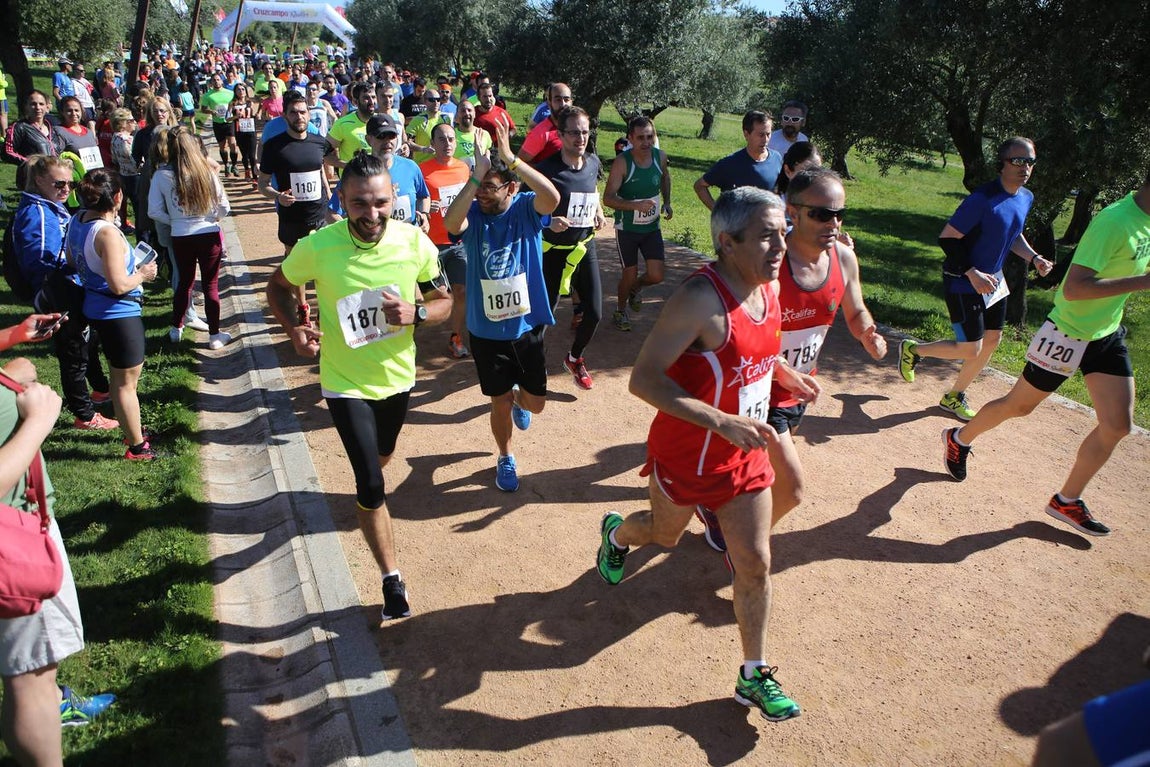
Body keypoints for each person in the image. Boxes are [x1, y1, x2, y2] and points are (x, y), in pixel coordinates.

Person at [595, 187, 815, 723]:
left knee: (756, 562)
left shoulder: (768, 288)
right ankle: (618, 534)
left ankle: (754, 673)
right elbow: (642, 381)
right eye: (766, 235)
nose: (780, 245)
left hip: (745, 457)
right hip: (688, 457)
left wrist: (784, 375)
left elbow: (756, 354)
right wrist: (720, 420)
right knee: (662, 534)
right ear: (726, 241)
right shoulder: (699, 300)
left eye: (783, 232)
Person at [266, 152, 452, 621]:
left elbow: (445, 300)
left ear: (393, 198)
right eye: (359, 205)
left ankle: (374, 475)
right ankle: (392, 580)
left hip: (396, 377)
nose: (371, 215)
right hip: (344, 381)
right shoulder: (318, 245)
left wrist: (420, 313)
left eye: (380, 203)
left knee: (383, 455)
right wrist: (294, 330)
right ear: (342, 201)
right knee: (370, 482)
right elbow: (278, 287)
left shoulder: (415, 242)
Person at [940, 171, 1150, 537]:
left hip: (1105, 334)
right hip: (1067, 333)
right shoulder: (1116, 221)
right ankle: (958, 439)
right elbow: (1074, 289)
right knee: (1017, 406)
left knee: (1118, 425)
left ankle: (1066, 500)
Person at [696, 167, 886, 551]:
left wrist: (867, 331)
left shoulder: (844, 259)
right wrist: (779, 370)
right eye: (821, 214)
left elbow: (855, 309)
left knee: (754, 470)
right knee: (792, 488)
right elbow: (743, 331)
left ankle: (715, 508)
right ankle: (744, 546)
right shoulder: (768, 265)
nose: (832, 223)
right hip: (757, 387)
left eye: (838, 214)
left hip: (798, 391)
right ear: (792, 213)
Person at [0, 317, 118, 765]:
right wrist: (37, 422)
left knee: (30, 672)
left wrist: (15, 346)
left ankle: (52, 700)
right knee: (29, 675)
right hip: (14, 537)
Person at [898, 137, 1054, 420]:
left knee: (992, 339)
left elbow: (1012, 232)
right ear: (1002, 164)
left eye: (1030, 162)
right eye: (1018, 161)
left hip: (993, 281)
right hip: (962, 278)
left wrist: (1034, 257)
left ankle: (953, 396)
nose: (1025, 167)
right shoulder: (982, 199)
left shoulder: (1024, 197)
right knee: (971, 347)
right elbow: (947, 238)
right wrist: (971, 273)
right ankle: (914, 349)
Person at [443, 116, 560, 492]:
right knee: (497, 401)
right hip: (486, 330)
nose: (482, 195)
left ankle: (520, 401)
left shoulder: (526, 207)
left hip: (526, 328)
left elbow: (553, 198)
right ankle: (505, 457)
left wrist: (510, 157)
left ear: (510, 187)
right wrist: (475, 177)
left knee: (537, 404)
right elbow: (450, 221)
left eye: (490, 188)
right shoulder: (473, 212)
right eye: (480, 188)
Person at [12, 155, 116, 430]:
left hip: (67, 285)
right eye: (60, 184)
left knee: (87, 340)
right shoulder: (37, 214)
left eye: (70, 184)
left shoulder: (49, 206)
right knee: (73, 351)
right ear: (39, 180)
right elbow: (40, 261)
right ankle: (84, 415)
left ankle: (100, 390)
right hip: (58, 290)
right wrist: (75, 261)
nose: (66, 190)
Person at [67, 170, 161, 460]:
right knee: (125, 383)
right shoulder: (106, 232)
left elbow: (73, 260)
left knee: (120, 379)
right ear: (118, 197)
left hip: (95, 307)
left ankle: (132, 431)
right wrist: (143, 274)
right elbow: (119, 284)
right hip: (118, 314)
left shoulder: (77, 220)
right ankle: (137, 447)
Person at [537, 106, 606, 390]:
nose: (580, 137)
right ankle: (531, 366)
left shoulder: (592, 163)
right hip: (553, 250)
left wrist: (599, 210)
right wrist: (548, 221)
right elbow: (527, 208)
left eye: (585, 132)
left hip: (583, 247)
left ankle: (575, 358)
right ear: (561, 135)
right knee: (544, 315)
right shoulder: (548, 170)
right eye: (574, 132)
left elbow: (592, 190)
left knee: (595, 312)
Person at [149, 127, 232, 349]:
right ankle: (215, 335)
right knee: (210, 284)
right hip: (207, 233)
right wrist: (212, 218)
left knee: (184, 282)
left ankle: (176, 328)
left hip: (181, 235)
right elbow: (224, 206)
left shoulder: (161, 175)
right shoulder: (206, 172)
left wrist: (175, 220)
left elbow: (153, 211)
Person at [259, 93, 331, 327]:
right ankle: (302, 306)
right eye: (293, 112)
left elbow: (322, 168)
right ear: (285, 115)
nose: (299, 116)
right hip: (291, 216)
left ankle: (323, 306)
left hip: (318, 214)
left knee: (322, 263)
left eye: (302, 112)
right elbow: (263, 184)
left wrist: (329, 191)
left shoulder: (318, 141)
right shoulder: (274, 146)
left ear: (308, 114)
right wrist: (279, 196)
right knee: (297, 264)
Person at [603, 115, 671, 332]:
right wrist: (635, 206)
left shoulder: (660, 157)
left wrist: (667, 202)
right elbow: (608, 198)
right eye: (640, 137)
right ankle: (620, 310)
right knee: (628, 274)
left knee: (656, 275)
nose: (646, 142)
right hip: (628, 230)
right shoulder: (623, 162)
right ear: (630, 138)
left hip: (652, 227)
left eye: (650, 137)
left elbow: (665, 177)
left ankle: (636, 289)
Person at [419, 123, 472, 358]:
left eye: (451, 139)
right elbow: (416, 201)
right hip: (430, 246)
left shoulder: (463, 169)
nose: (447, 143)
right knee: (438, 295)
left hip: (457, 244)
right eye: (441, 139)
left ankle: (455, 337)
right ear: (432, 144)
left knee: (461, 292)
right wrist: (427, 210)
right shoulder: (421, 170)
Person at [694, 111, 782, 211]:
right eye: (761, 135)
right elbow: (700, 186)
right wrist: (717, 212)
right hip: (737, 225)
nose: (765, 140)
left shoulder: (777, 159)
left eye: (768, 134)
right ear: (746, 134)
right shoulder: (730, 164)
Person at [4, 91, 64, 188]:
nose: (38, 107)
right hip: (32, 180)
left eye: (41, 104)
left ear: (47, 107)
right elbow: (7, 152)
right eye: (33, 104)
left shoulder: (53, 128)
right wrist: (33, 163)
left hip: (54, 178)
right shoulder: (20, 127)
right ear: (26, 107)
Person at [517, 83, 571, 166]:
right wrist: (543, 175)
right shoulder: (541, 132)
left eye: (566, 100)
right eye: (558, 99)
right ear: (549, 102)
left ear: (571, 102)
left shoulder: (575, 128)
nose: (563, 104)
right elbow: (520, 163)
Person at [326, 82, 376, 170]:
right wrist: (348, 166)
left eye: (373, 97)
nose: (371, 101)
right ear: (356, 102)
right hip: (351, 181)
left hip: (376, 180)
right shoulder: (342, 124)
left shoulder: (380, 121)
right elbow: (326, 155)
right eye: (366, 98)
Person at [199, 73, 237, 176]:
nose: (216, 82)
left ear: (221, 81)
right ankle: (226, 165)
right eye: (214, 80)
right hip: (217, 123)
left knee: (233, 144)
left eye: (218, 79)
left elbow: (235, 104)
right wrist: (211, 112)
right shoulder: (207, 95)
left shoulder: (230, 93)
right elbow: (203, 109)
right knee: (222, 147)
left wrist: (233, 110)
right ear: (211, 82)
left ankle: (234, 165)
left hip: (229, 122)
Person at [406, 88, 452, 165]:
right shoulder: (418, 120)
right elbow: (407, 142)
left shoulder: (446, 118)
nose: (436, 102)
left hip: (441, 165)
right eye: (432, 100)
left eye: (438, 99)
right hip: (423, 166)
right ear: (425, 101)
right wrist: (423, 149)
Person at [228, 83, 259, 186]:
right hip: (239, 131)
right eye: (238, 90)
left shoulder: (250, 103)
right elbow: (227, 118)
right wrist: (235, 116)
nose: (241, 91)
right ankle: (246, 169)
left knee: (252, 155)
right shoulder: (232, 104)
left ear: (246, 91)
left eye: (242, 89)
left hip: (251, 130)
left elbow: (254, 115)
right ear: (235, 92)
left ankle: (255, 177)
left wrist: (257, 115)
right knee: (245, 155)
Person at [451, 100, 491, 170]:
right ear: (457, 114)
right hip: (457, 177)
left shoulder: (484, 134)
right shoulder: (450, 135)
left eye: (469, 110)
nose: (467, 113)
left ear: (475, 114)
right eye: (463, 111)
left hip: (479, 178)